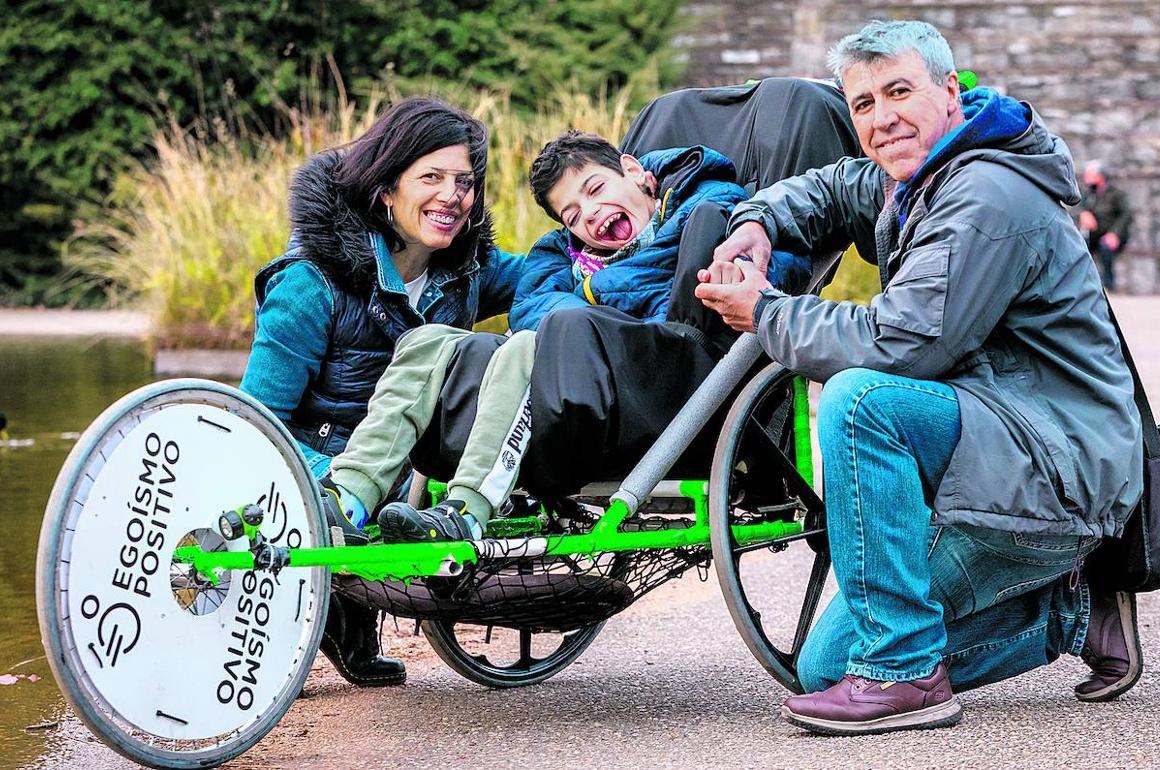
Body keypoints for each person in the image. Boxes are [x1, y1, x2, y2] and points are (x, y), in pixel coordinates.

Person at [696, 19, 1143, 736]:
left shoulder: (987, 197)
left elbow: (900, 346)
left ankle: (908, 670)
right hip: (993, 438)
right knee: (825, 668)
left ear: (950, 91)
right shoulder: (922, 174)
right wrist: (758, 222)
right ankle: (1071, 608)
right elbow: (839, 186)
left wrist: (766, 311)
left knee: (861, 399)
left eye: (899, 91)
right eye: (863, 103)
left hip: (1053, 464)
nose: (881, 118)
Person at [322, 130, 810, 542]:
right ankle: (348, 497)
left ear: (635, 171)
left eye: (597, 189)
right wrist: (590, 294)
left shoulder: (720, 208)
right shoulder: (560, 259)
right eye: (573, 215)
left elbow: (778, 274)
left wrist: (596, 292)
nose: (591, 214)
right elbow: (531, 311)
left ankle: (468, 513)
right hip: (583, 387)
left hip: (681, 388)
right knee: (433, 343)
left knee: (556, 329)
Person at [240, 97, 524, 687]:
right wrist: (321, 481)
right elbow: (258, 425)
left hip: (415, 474)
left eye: (465, 182)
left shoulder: (467, 270)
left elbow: (550, 275)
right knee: (349, 487)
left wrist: (624, 249)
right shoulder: (310, 282)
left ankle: (356, 607)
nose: (452, 196)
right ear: (387, 189)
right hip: (326, 467)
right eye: (432, 178)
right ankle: (341, 603)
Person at [1073, 160, 1133, 291]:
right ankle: (1085, 284)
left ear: (1100, 176)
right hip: (1093, 234)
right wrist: (1082, 214)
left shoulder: (1116, 194)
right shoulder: (1087, 194)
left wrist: (1115, 234)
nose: (1086, 177)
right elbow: (1074, 207)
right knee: (1079, 245)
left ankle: (1109, 284)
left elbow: (1126, 215)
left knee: (1105, 247)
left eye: (1090, 174)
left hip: (1111, 234)